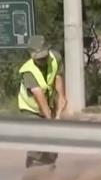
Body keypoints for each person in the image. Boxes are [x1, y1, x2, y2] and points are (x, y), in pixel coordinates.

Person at [18, 35, 67, 168]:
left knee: (52, 145)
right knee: (38, 135)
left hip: (49, 105)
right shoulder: (28, 71)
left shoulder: (56, 59)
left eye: (44, 57)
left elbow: (60, 90)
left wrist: (59, 114)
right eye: (39, 59)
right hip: (31, 108)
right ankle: (34, 166)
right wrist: (50, 120)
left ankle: (49, 167)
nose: (42, 61)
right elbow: (40, 99)